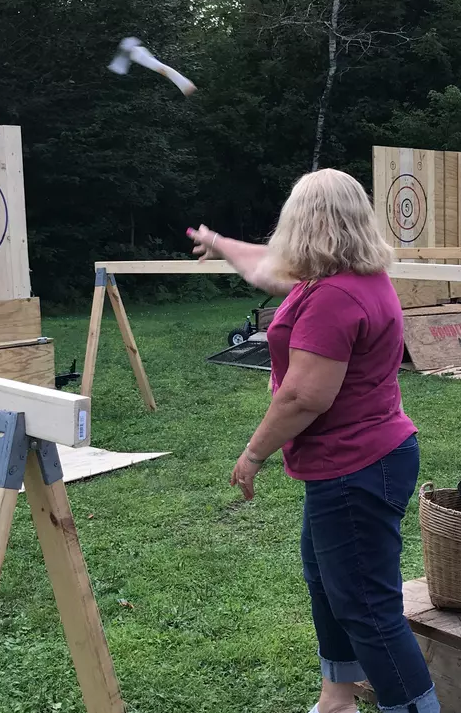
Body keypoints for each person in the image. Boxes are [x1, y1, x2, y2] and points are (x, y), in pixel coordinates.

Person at [187, 168, 440, 713]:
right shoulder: (343, 279)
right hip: (355, 463)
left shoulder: (334, 298)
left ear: (303, 222)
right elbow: (265, 266)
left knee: (369, 608)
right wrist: (218, 242)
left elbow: (304, 397)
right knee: (329, 585)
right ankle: (337, 700)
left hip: (356, 467)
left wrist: (254, 452)